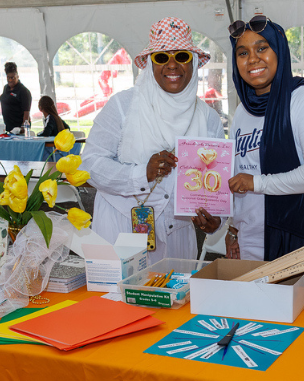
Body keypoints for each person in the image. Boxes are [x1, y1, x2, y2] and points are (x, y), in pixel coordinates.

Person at [193, 15, 304, 287]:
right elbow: (240, 175)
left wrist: (258, 183)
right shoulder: (242, 111)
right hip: (251, 240)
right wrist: (232, 229)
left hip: (301, 239)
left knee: (301, 322)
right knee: (257, 320)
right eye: (242, 52)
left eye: (262, 48)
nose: (252, 59)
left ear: (279, 51)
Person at [81, 17, 224, 264]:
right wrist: (141, 174)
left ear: (193, 63)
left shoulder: (208, 118)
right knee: (116, 302)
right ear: (149, 64)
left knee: (175, 300)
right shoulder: (123, 106)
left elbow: (214, 183)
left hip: (177, 235)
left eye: (181, 56)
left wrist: (215, 220)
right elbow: (89, 166)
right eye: (161, 57)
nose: (172, 65)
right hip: (120, 230)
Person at [0, 62, 32, 134]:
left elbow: (26, 111)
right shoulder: (6, 88)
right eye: (8, 78)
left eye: (12, 78)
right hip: (8, 126)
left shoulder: (23, 91)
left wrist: (23, 128)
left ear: (17, 76)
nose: (10, 80)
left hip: (18, 128)